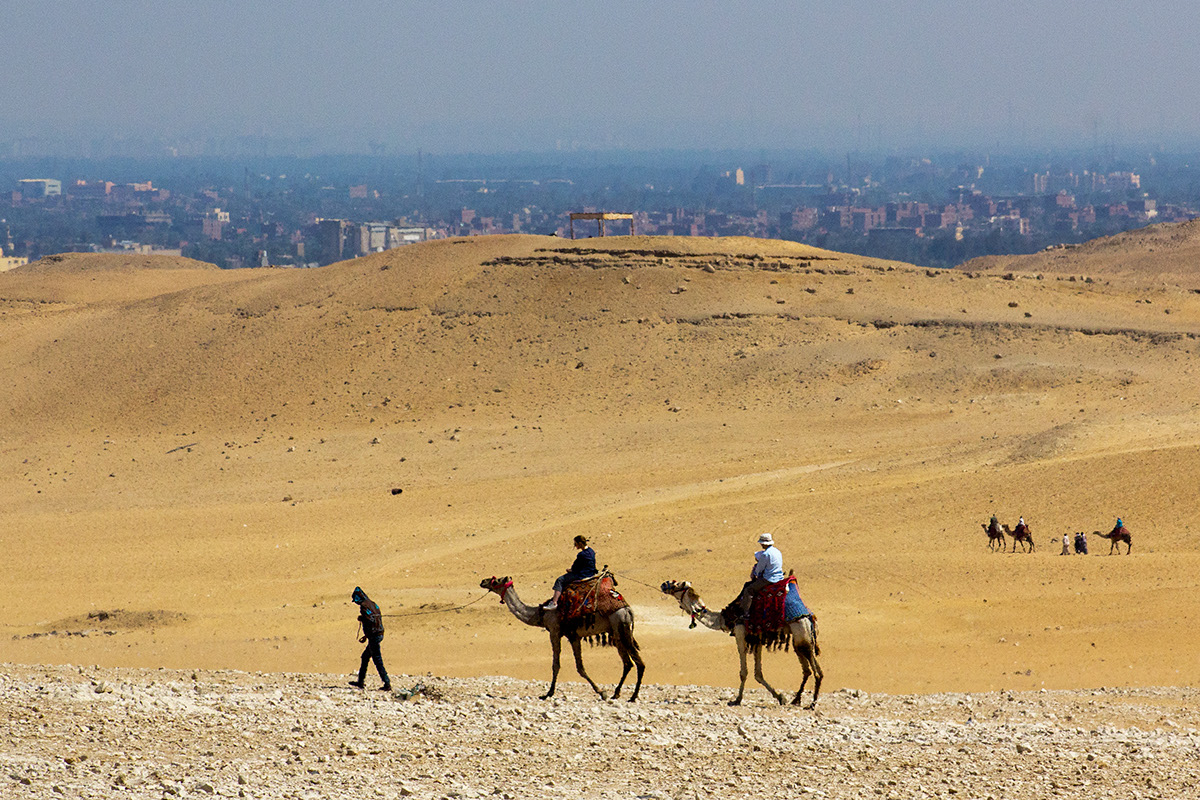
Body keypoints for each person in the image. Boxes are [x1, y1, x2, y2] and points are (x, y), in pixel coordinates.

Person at [349, 586, 390, 691]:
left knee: (377, 659)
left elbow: (369, 621)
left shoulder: (364, 606)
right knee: (365, 657)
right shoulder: (373, 604)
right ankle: (360, 681)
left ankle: (387, 683)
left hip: (374, 636)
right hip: (379, 634)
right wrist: (366, 636)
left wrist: (362, 618)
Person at [736, 532, 785, 615]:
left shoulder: (765, 554)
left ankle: (745, 613)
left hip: (769, 579)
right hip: (779, 577)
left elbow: (759, 569)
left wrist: (755, 573)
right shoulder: (777, 551)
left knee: (749, 590)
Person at [545, 535, 597, 610]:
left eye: (575, 544)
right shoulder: (591, 551)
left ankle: (554, 602)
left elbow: (575, 568)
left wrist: (570, 570)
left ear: (579, 543)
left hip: (582, 575)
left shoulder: (581, 555)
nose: (575, 546)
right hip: (590, 573)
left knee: (560, 580)